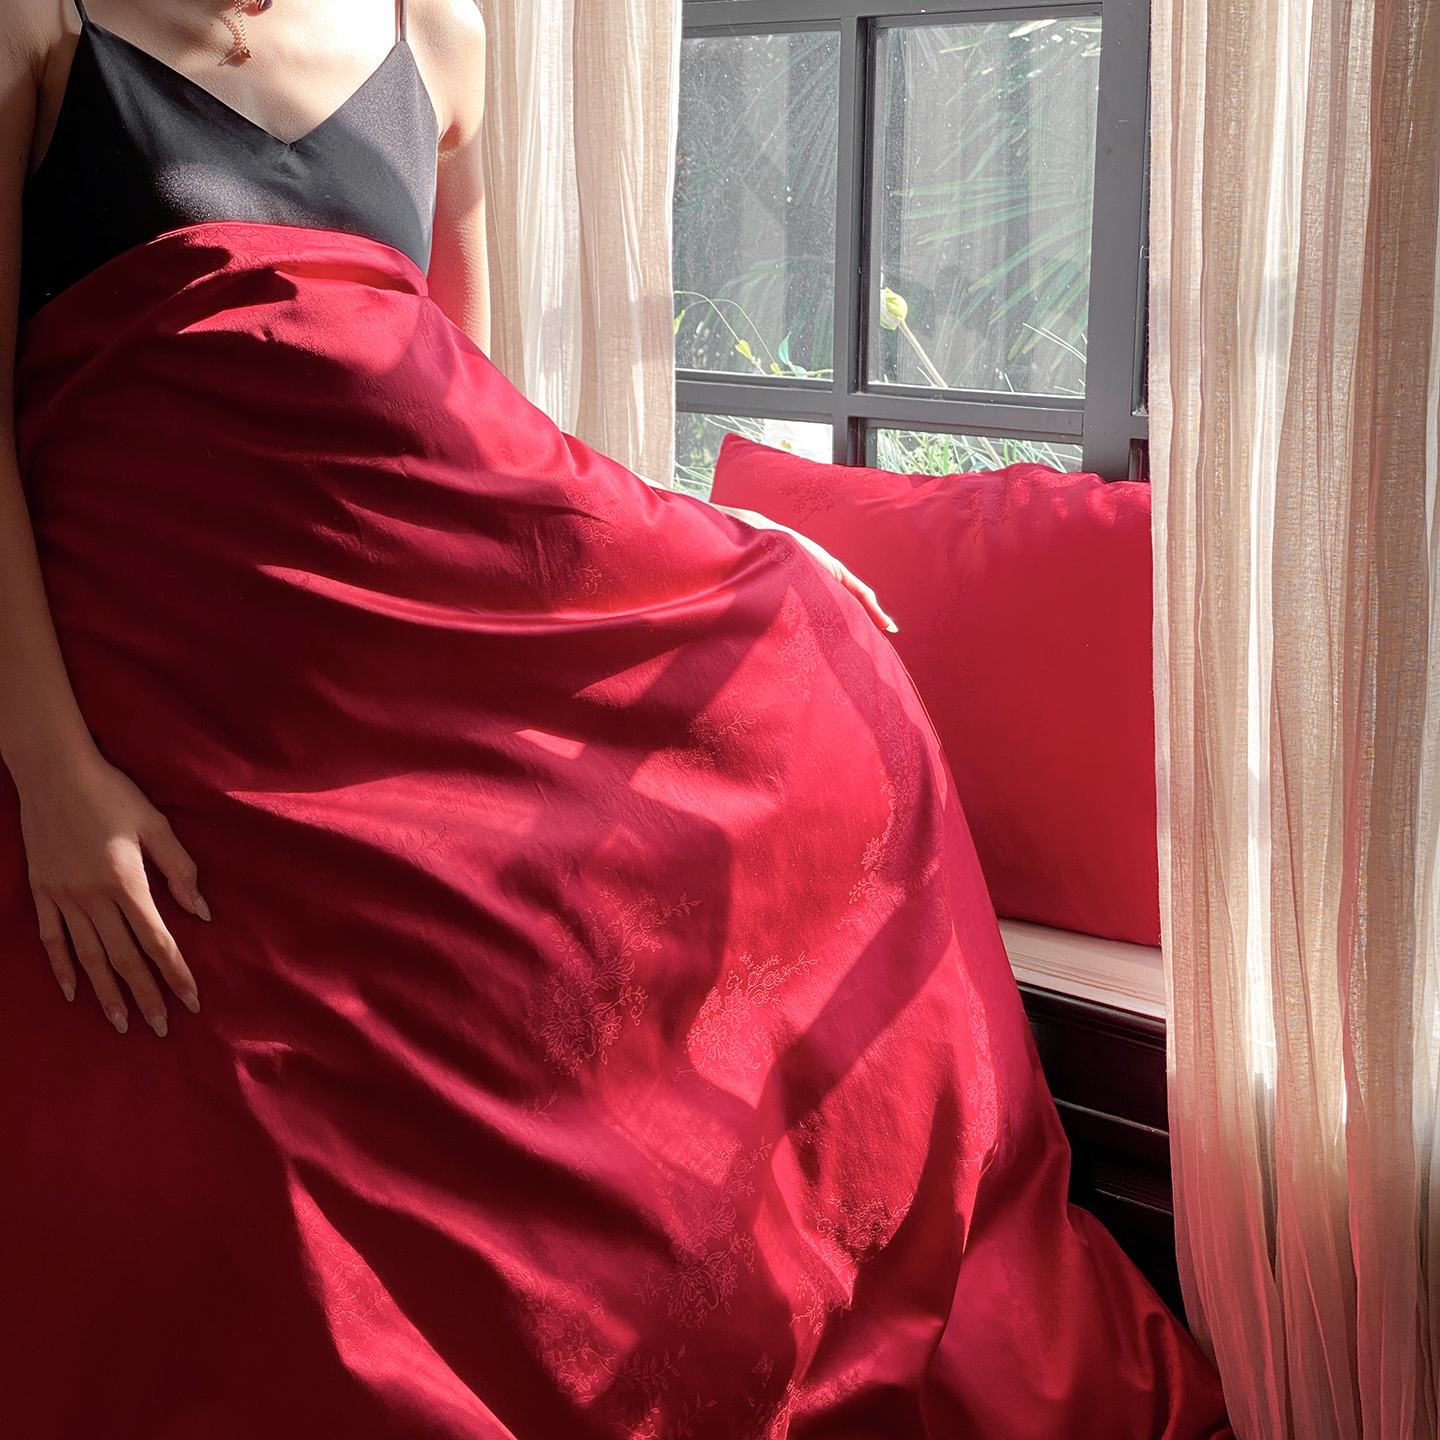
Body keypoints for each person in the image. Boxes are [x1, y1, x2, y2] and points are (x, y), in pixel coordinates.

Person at [0, 2, 1232, 1436]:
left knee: (795, 674)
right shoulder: (38, 28)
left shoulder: (436, 35)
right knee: (223, 1152)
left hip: (384, 691)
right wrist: (51, 771)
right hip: (153, 723)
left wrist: (723, 550)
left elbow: (465, 434)